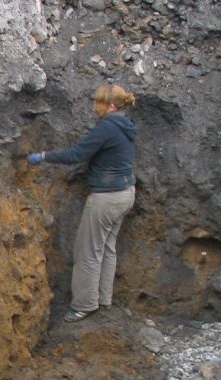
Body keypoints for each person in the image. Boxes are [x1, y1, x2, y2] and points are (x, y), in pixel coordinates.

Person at [27, 84, 138, 322]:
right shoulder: (125, 124)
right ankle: (103, 299)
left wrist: (45, 156)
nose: (94, 107)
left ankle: (84, 305)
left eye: (98, 103)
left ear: (110, 106)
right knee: (107, 248)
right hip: (126, 193)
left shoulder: (108, 127)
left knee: (87, 251)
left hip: (106, 198)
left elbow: (77, 154)